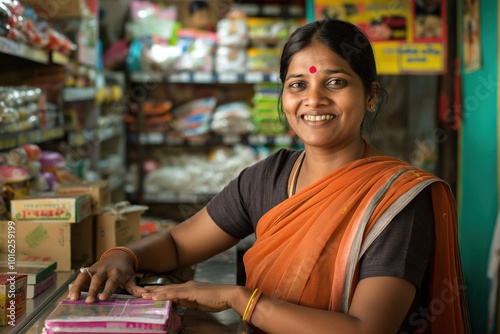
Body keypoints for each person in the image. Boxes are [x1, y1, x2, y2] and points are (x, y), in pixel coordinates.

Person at [69, 18, 470, 333]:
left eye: (335, 82)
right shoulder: (267, 177)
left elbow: (366, 329)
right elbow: (177, 243)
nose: (314, 99)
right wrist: (123, 256)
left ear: (369, 95)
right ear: (284, 96)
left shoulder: (397, 200)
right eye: (298, 84)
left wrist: (237, 298)